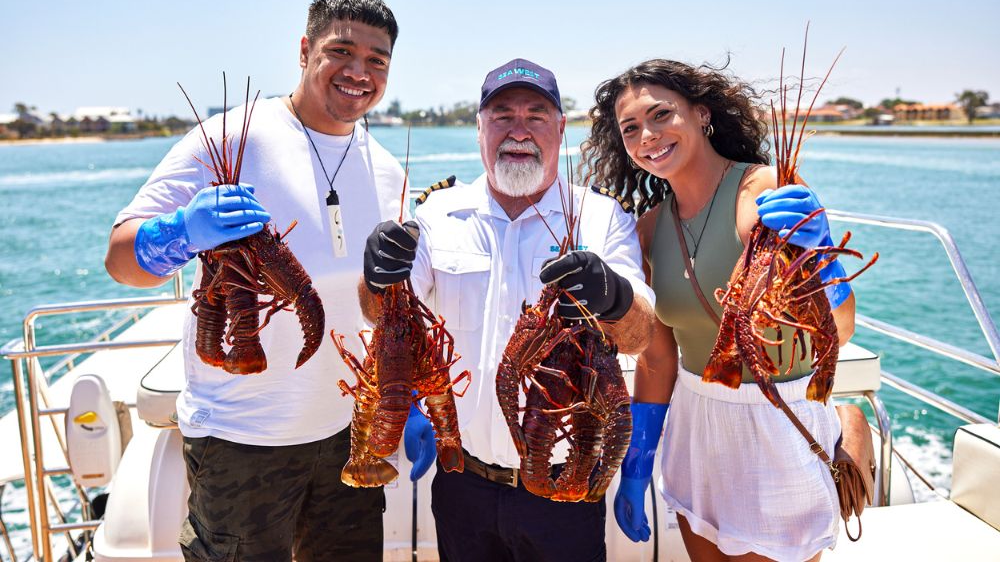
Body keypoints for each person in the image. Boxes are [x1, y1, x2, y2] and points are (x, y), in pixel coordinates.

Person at [104, 0, 404, 562]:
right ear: (304, 50)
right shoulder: (229, 136)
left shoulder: (385, 170)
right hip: (241, 438)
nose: (358, 71)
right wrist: (179, 233)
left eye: (376, 60)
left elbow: (372, 302)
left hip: (350, 433)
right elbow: (121, 262)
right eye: (341, 51)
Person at [358, 58, 657, 562]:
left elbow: (639, 334)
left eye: (536, 116)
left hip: (570, 481)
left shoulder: (603, 216)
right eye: (502, 116)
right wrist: (376, 275)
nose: (519, 131)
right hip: (463, 482)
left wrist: (614, 297)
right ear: (479, 127)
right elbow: (381, 313)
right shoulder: (437, 213)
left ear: (561, 128)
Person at [582, 59, 857, 562]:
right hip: (696, 421)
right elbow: (658, 357)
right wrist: (639, 461)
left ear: (702, 114)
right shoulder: (647, 229)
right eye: (631, 128)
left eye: (662, 115)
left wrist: (825, 267)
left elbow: (839, 326)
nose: (648, 135)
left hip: (777, 418)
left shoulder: (766, 190)